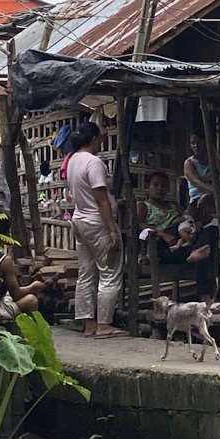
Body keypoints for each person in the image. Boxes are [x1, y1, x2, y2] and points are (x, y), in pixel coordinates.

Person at [65, 121, 126, 338]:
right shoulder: (94, 162)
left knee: (86, 273)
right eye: (100, 138)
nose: (102, 141)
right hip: (96, 221)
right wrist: (112, 229)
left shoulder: (72, 160)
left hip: (80, 219)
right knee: (109, 272)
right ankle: (104, 324)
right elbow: (101, 199)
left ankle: (88, 324)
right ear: (92, 139)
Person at [183, 132, 216, 203]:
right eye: (193, 143)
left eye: (199, 142)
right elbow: (196, 182)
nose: (196, 146)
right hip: (197, 198)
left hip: (216, 198)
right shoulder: (189, 162)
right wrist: (214, 191)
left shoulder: (213, 160)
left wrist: (213, 153)